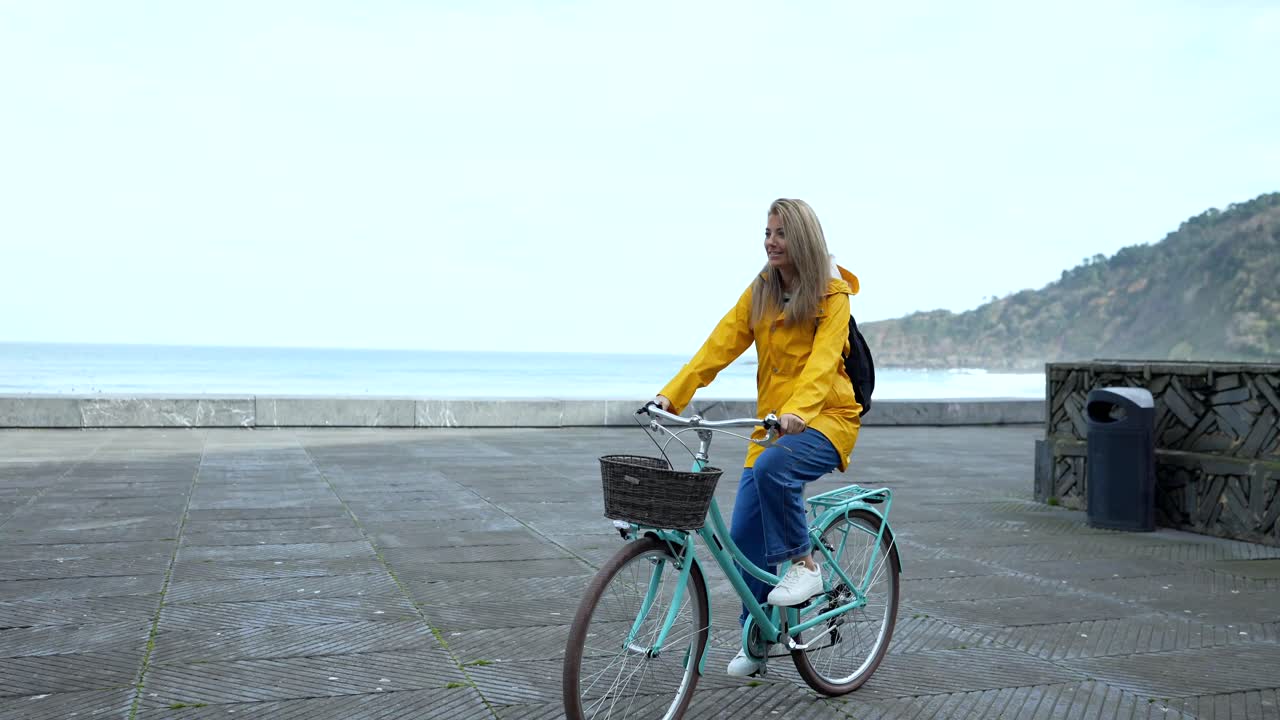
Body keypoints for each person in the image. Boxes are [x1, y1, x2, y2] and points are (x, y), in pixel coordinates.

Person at [653, 197, 862, 677]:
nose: (770, 241)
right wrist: (671, 396)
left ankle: (806, 567)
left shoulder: (832, 294)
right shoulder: (763, 290)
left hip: (826, 418)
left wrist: (798, 412)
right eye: (767, 232)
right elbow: (720, 344)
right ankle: (760, 634)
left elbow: (823, 363)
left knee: (773, 469)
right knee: (744, 541)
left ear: (802, 238)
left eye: (781, 233)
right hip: (773, 426)